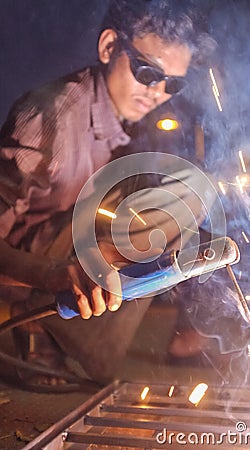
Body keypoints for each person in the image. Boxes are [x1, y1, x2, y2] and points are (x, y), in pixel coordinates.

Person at [0, 0, 217, 386]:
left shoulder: (134, 123)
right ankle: (38, 334)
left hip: (71, 265)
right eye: (147, 72)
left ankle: (78, 345)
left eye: (173, 83)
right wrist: (49, 275)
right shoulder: (48, 118)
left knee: (190, 189)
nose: (158, 92)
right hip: (30, 272)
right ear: (108, 47)